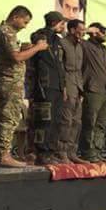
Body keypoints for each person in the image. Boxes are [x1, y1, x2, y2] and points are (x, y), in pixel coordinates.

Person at [0, 6, 47, 167]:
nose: (25, 26)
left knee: (10, 118)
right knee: (8, 119)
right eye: (25, 21)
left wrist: (24, 49)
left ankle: (1, 155)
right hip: (9, 82)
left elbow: (12, 55)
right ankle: (3, 156)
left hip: (9, 82)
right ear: (16, 17)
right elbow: (16, 57)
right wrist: (37, 48)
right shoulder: (6, 31)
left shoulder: (5, 32)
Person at [28, 11, 67, 165]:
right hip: (45, 86)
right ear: (54, 23)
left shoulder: (57, 40)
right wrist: (50, 31)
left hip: (57, 85)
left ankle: (51, 151)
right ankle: (41, 152)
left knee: (57, 121)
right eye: (61, 23)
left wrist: (63, 86)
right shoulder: (40, 35)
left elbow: (59, 65)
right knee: (44, 121)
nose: (63, 26)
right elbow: (39, 42)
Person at [79, 22, 106, 162]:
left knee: (101, 124)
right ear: (94, 32)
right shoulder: (86, 45)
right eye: (103, 31)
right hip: (92, 89)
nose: (105, 34)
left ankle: (96, 152)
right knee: (89, 122)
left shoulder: (104, 49)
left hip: (105, 90)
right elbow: (73, 36)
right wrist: (87, 30)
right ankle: (87, 152)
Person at [57, 19, 86, 164]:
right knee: (66, 120)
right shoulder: (62, 43)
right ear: (73, 30)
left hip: (78, 86)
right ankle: (61, 152)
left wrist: (82, 90)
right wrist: (62, 86)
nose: (83, 32)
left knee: (76, 121)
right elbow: (60, 67)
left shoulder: (80, 46)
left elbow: (80, 69)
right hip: (67, 84)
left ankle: (72, 152)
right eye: (81, 29)